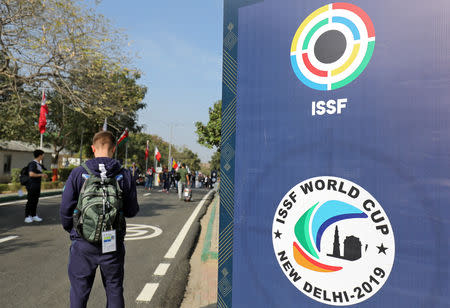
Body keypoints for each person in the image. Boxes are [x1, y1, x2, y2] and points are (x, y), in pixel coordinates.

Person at [60, 131, 139, 308]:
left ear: (92, 148)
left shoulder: (78, 173)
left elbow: (65, 210)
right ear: (114, 148)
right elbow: (131, 210)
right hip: (112, 241)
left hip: (83, 242)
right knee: (114, 288)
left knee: (79, 290)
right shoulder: (124, 174)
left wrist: (74, 232)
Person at [24, 149, 48, 223]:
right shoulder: (33, 164)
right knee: (30, 201)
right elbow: (31, 174)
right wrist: (42, 175)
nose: (43, 156)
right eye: (43, 155)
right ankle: (27, 216)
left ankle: (33, 215)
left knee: (35, 200)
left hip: (36, 185)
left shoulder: (38, 164)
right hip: (32, 185)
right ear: (40, 155)